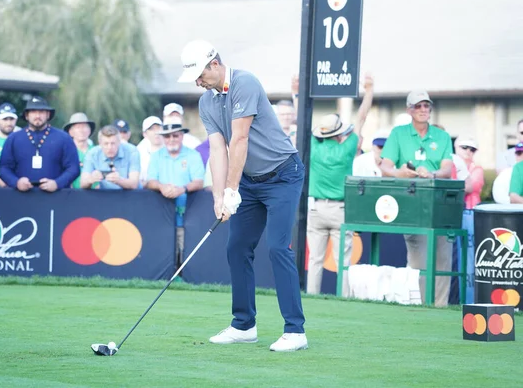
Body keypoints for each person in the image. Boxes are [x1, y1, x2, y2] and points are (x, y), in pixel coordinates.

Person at [178, 39, 307, 352]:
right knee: (236, 246)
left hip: (282, 174)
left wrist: (232, 189)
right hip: (249, 181)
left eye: (199, 74)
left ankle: (295, 331)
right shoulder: (207, 102)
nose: (197, 81)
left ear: (214, 64)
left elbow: (240, 139)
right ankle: (243, 324)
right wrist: (220, 196)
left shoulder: (244, 82)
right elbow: (218, 151)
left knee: (278, 247)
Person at [380, 90, 454, 307]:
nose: (423, 110)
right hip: (411, 199)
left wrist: (432, 174)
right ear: (409, 109)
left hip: (438, 199)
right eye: (418, 106)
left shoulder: (442, 136)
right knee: (417, 257)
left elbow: (447, 169)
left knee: (443, 257)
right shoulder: (399, 133)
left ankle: (440, 306)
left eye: (426, 106)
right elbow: (385, 167)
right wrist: (399, 173)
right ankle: (417, 304)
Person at [305, 75, 374, 296]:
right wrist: (369, 91)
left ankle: (312, 297)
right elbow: (361, 118)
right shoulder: (347, 149)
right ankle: (343, 298)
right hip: (339, 209)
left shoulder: (314, 146)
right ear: (339, 133)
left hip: (316, 208)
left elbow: (302, 121)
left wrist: (297, 94)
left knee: (315, 260)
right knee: (342, 260)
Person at [146, 122, 205, 266]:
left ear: (182, 136)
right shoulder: (156, 156)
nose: (171, 139)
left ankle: (181, 274)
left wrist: (182, 189)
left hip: (187, 209)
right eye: (167, 136)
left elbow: (199, 181)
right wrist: (161, 187)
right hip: (161, 211)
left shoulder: (193, 155)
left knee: (183, 243)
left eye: (175, 135)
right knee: (162, 243)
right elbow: (149, 181)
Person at [0, 96, 80, 192]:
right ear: (26, 115)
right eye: (33, 112)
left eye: (41, 112)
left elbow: (73, 168)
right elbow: (3, 168)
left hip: (56, 197)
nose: (37, 116)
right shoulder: (13, 138)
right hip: (21, 197)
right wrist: (16, 182)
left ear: (48, 115)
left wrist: (57, 183)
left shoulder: (63, 138)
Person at [453, 136, 484, 304]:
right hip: (453, 214)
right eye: (464, 147)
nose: (468, 152)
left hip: (471, 216)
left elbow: (470, 187)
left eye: (472, 149)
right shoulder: (448, 163)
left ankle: (470, 300)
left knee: (471, 260)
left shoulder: (476, 169)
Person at [81, 125, 140, 190]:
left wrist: (119, 180)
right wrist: (91, 179)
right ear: (100, 143)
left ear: (119, 142)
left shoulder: (132, 152)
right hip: (105, 195)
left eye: (113, 143)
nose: (110, 147)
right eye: (106, 144)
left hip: (130, 195)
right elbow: (83, 183)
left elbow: (134, 184)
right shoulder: (92, 154)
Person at [64, 112, 96, 189]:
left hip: (96, 194)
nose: (82, 130)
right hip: (73, 194)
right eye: (78, 127)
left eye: (84, 127)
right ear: (71, 132)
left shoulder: (97, 151)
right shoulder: (66, 152)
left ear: (89, 130)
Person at [136, 116, 164, 187]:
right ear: (144, 134)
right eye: (151, 129)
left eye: (158, 128)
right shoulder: (139, 151)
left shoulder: (171, 147)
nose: (156, 132)